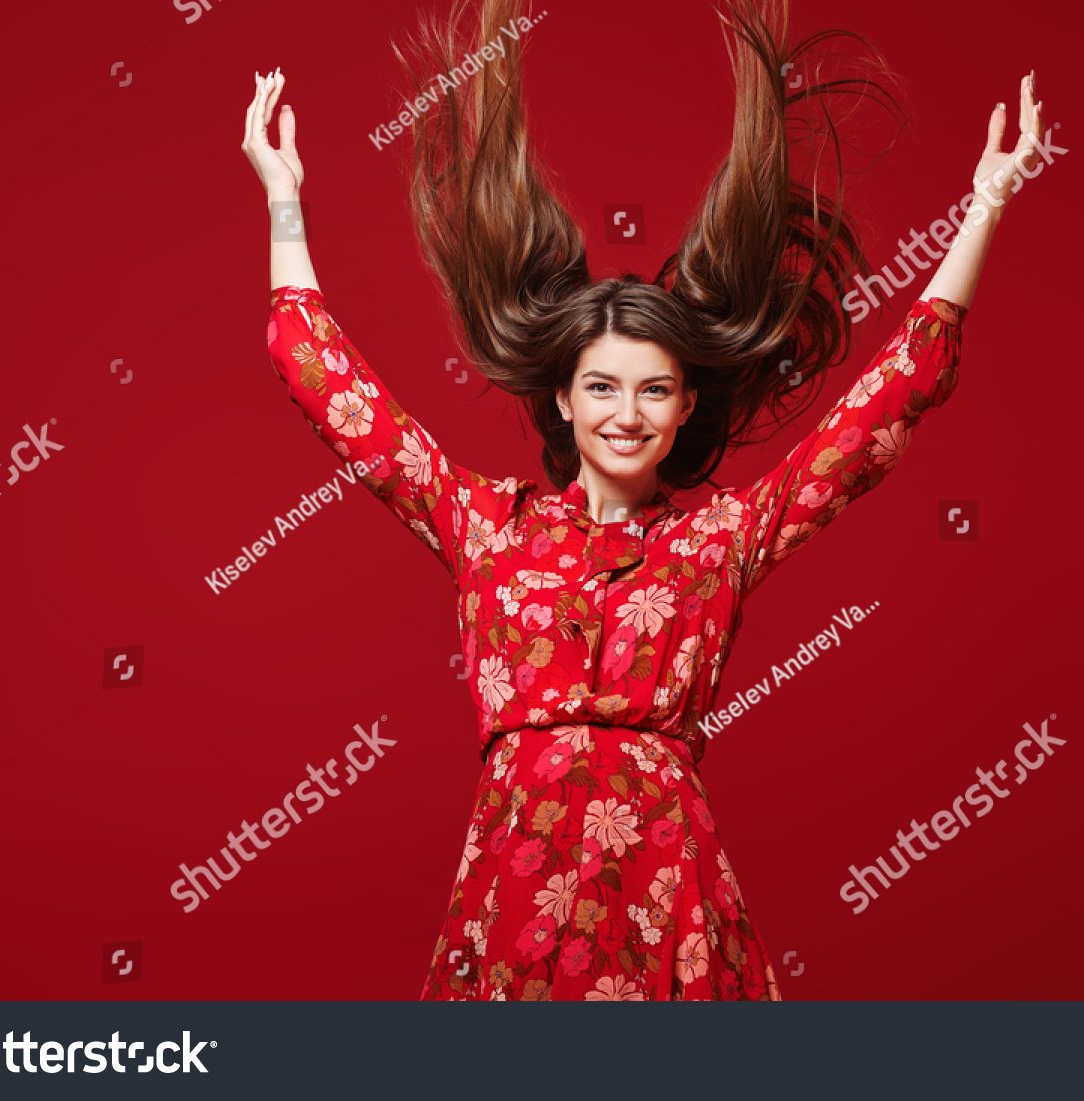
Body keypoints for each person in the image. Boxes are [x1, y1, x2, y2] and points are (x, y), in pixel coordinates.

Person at [242, 0, 1043, 1000]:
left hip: (669, 887)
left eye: (654, 388)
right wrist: (283, 203)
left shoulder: (724, 534)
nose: (628, 412)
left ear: (685, 404)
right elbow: (330, 388)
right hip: (514, 887)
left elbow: (887, 408)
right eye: (604, 387)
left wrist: (986, 207)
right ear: (565, 400)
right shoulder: (483, 522)